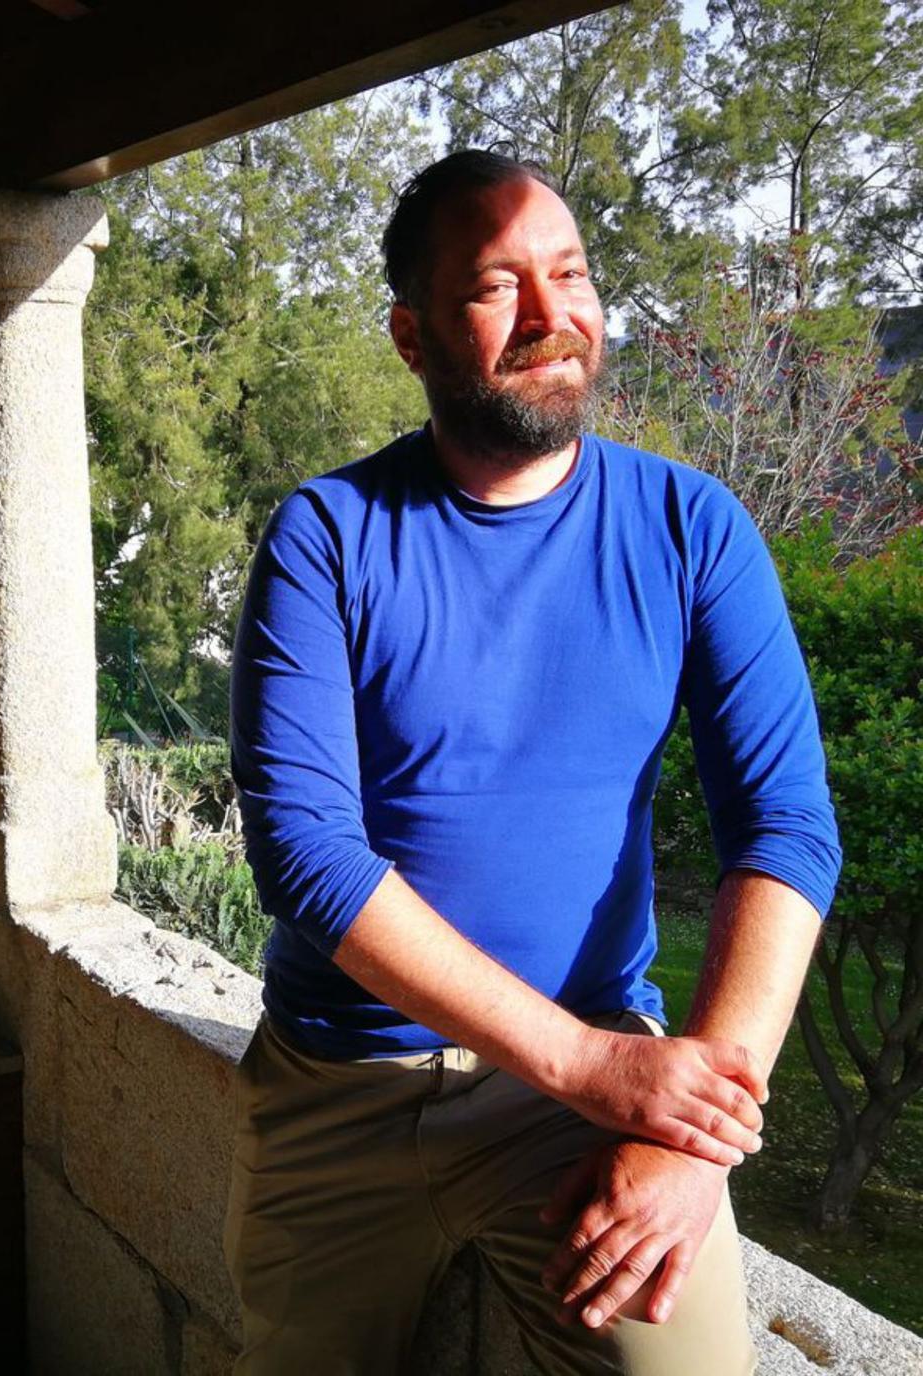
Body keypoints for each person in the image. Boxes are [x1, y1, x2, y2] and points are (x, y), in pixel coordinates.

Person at [224, 149, 841, 1376]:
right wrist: (597, 1068)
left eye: (571, 274)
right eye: (497, 286)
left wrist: (689, 1135)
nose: (553, 315)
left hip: (577, 1107)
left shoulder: (689, 527)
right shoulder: (328, 537)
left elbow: (785, 827)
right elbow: (308, 855)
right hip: (339, 1087)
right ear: (411, 333)